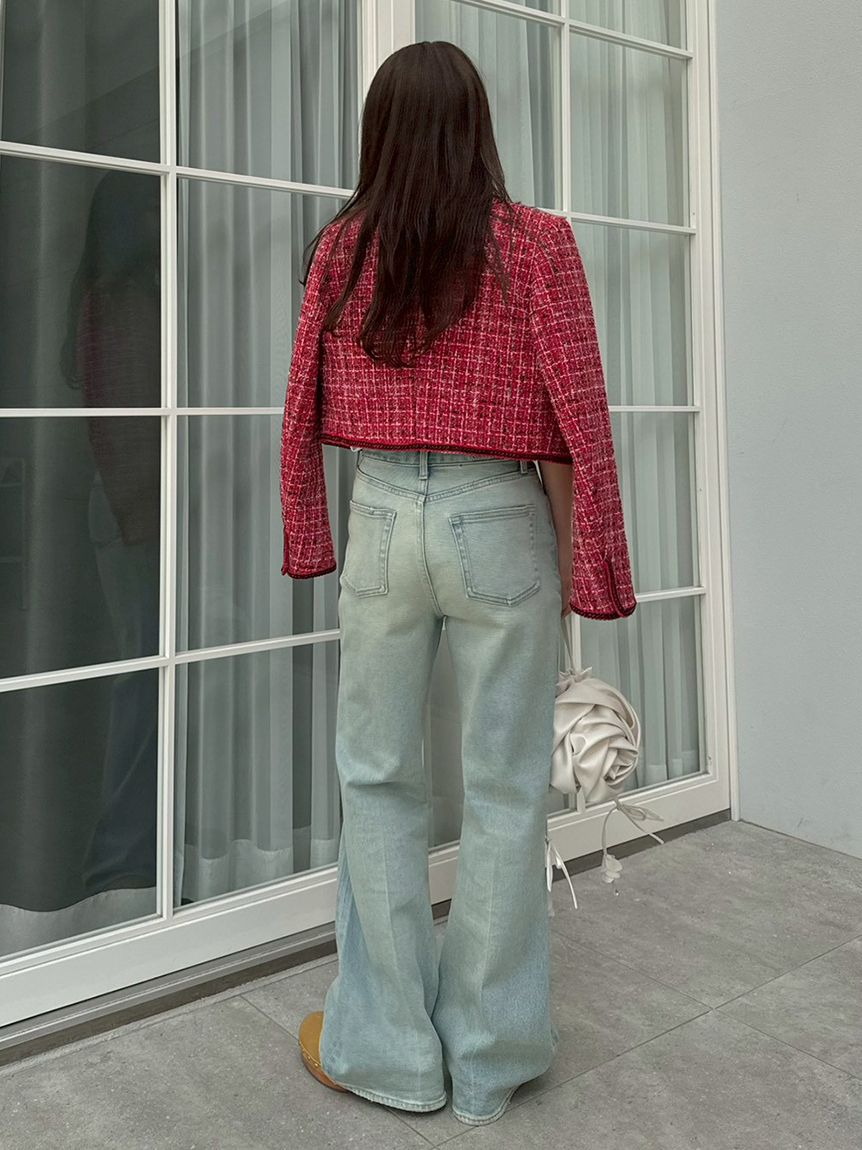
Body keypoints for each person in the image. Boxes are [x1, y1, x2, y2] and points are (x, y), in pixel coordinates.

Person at [280, 40, 637, 1127]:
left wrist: (309, 526)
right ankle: (487, 1059)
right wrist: (580, 572)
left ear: (379, 133)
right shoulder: (536, 244)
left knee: (378, 781)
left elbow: (300, 403)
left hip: (384, 513)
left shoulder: (343, 248)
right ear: (477, 127)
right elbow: (576, 416)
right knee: (504, 788)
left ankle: (390, 1052)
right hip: (500, 517)